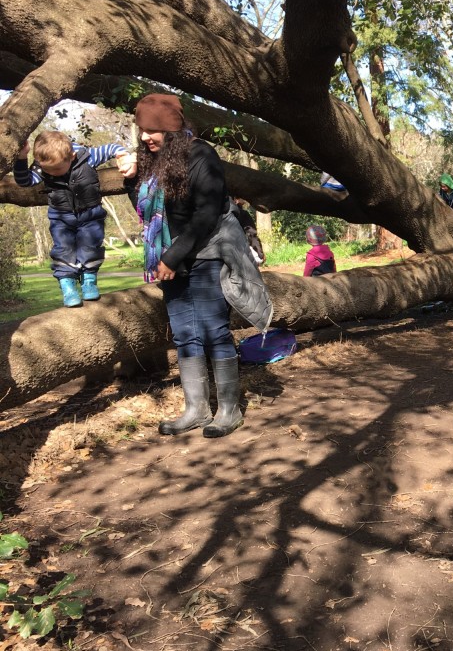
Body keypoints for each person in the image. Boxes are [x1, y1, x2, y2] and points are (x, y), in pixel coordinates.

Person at [125, 93, 272, 439]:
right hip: (170, 260)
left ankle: (229, 409)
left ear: (171, 129)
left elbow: (207, 214)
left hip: (205, 253)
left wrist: (172, 258)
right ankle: (196, 408)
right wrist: (131, 180)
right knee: (184, 333)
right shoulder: (150, 160)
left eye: (153, 131)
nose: (146, 138)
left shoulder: (201, 156)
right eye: (142, 130)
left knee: (213, 330)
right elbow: (146, 214)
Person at [12, 131, 130, 307]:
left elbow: (111, 148)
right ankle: (68, 287)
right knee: (63, 249)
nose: (53, 173)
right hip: (61, 216)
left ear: (71, 156)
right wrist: (21, 157)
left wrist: (123, 154)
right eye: (48, 170)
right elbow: (25, 181)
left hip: (90, 214)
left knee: (91, 247)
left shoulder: (87, 157)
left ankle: (89, 281)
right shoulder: (44, 164)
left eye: (58, 169)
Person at [231, 197, 265, 266]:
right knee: (257, 260)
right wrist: (260, 254)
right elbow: (252, 235)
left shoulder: (218, 214)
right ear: (236, 200)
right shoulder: (243, 214)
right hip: (239, 251)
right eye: (241, 197)